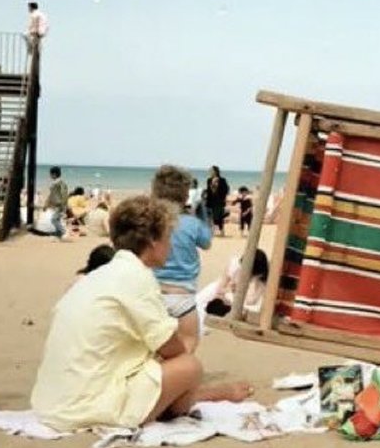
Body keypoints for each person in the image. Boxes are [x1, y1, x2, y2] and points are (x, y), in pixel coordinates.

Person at [30, 195, 252, 431]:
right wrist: (188, 341)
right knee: (189, 366)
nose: (171, 245)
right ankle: (208, 396)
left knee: (162, 364)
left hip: (52, 402)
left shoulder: (100, 275)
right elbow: (172, 350)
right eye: (168, 238)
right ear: (153, 241)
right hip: (86, 405)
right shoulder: (137, 278)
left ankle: (201, 395)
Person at [150, 164, 213, 338]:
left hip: (151, 291)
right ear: (185, 195)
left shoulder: (148, 221)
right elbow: (207, 243)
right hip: (182, 294)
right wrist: (202, 216)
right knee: (187, 344)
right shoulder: (191, 223)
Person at [197, 249, 269, 318]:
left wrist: (236, 293)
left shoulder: (260, 278)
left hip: (235, 299)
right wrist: (231, 289)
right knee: (198, 304)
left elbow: (252, 300)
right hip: (222, 292)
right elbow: (219, 290)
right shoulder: (235, 266)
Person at [44, 167, 71, 241]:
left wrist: (46, 204)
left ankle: (64, 232)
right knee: (57, 219)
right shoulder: (62, 182)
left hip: (59, 205)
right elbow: (64, 194)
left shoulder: (55, 183)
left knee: (53, 220)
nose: (50, 176)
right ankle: (59, 234)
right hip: (61, 204)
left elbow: (51, 195)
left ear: (54, 174)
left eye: (50, 174)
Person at [205, 166, 230, 236]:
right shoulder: (209, 180)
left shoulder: (222, 180)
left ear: (215, 171)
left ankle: (222, 231)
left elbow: (226, 190)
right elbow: (208, 191)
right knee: (210, 217)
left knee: (219, 217)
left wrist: (217, 187)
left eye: (211, 171)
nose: (210, 172)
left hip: (219, 201)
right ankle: (211, 231)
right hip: (210, 201)